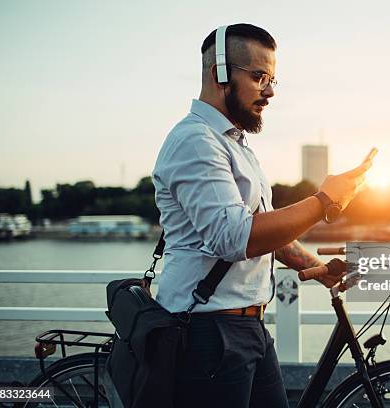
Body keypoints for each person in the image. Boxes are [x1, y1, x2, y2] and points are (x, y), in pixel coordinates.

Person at [151, 23, 372, 408]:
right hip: (208, 329)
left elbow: (265, 227)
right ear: (219, 72)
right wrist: (322, 201)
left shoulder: (235, 143)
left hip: (248, 325)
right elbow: (235, 237)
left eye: (272, 79)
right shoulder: (195, 141)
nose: (269, 91)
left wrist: (314, 266)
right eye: (259, 77)